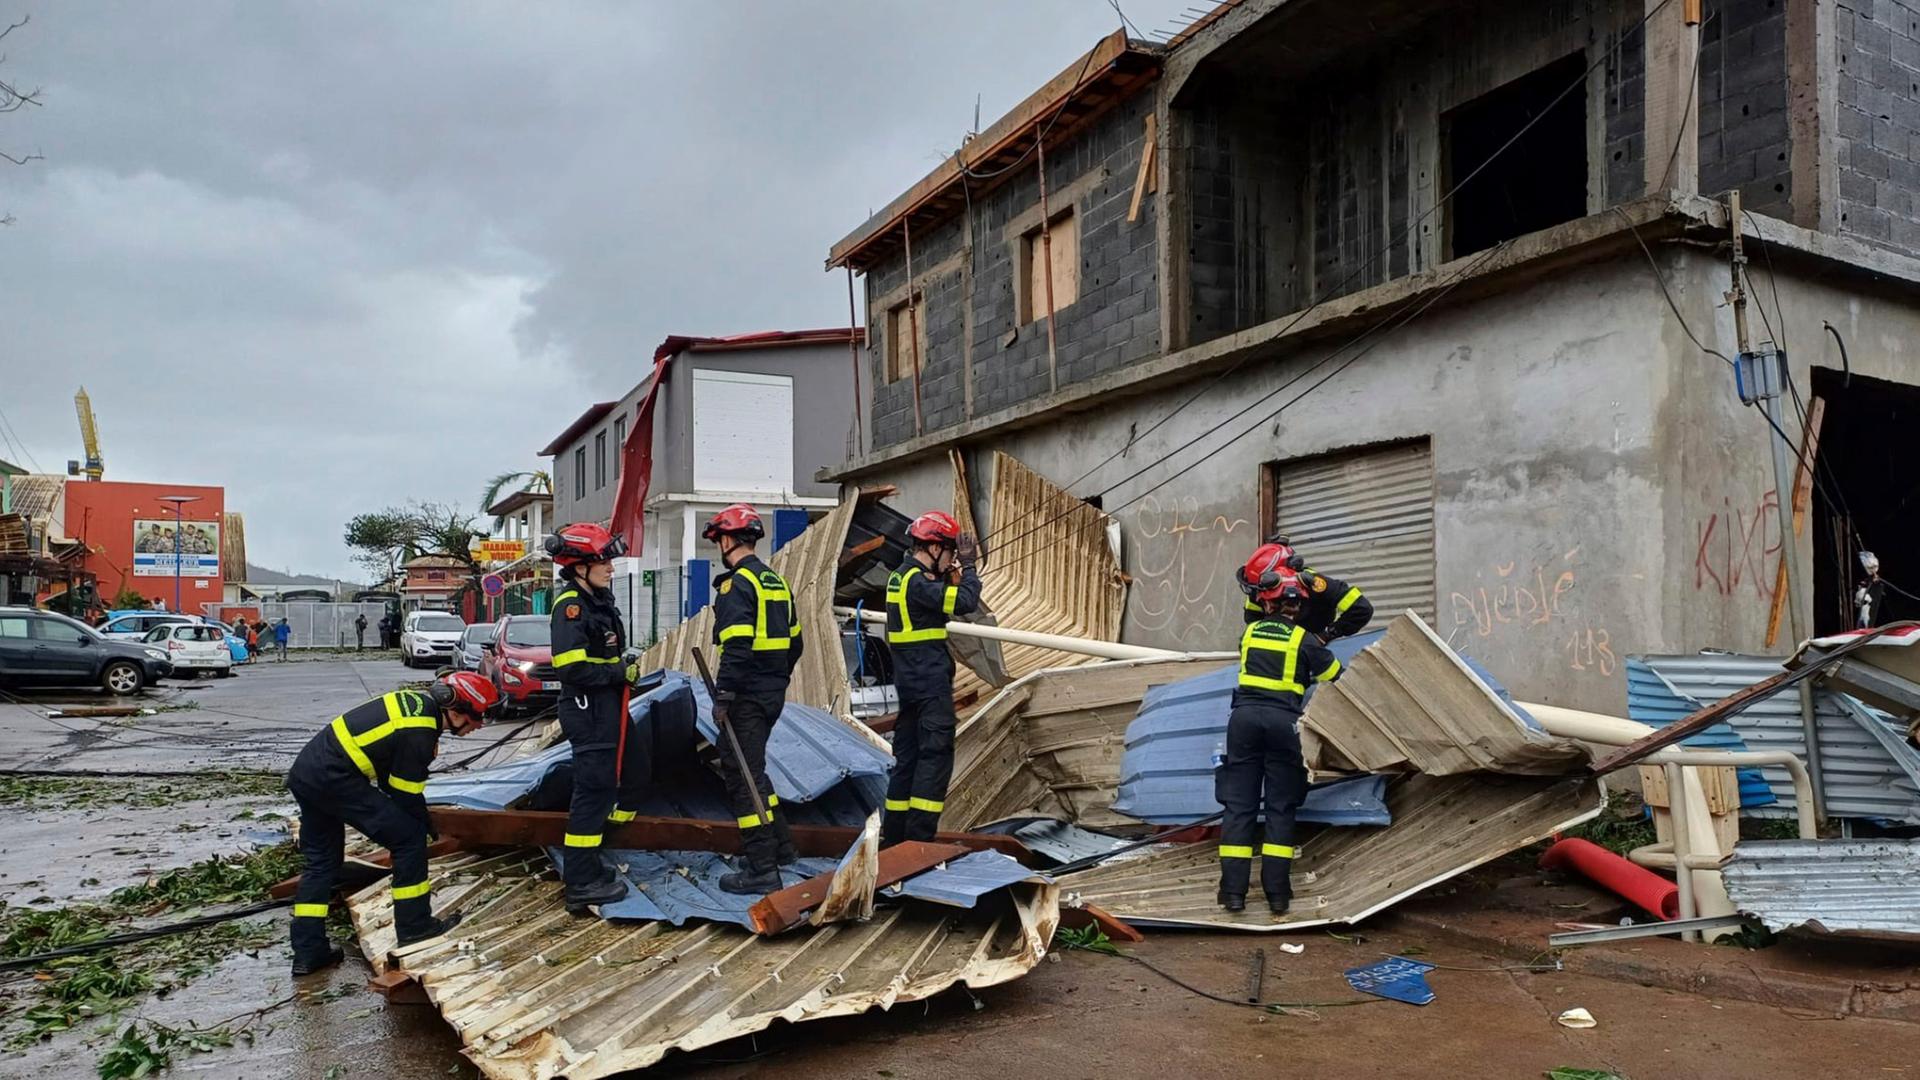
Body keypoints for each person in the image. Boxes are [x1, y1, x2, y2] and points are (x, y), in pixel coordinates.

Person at [285, 671, 501, 975]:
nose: (479, 726)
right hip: (336, 779)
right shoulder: (422, 729)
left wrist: (416, 814)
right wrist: (424, 825)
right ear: (457, 709)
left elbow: (390, 780)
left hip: (308, 774)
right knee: (409, 840)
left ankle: (309, 953)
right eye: (480, 717)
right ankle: (415, 927)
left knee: (321, 863)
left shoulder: (415, 705)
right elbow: (403, 792)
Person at [1218, 557, 1343, 916]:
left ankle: (1233, 895)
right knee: (1280, 807)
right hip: (1283, 725)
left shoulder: (1250, 634)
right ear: (1299, 606)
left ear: (1267, 602)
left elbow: (1252, 608)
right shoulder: (1304, 641)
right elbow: (1335, 676)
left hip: (1242, 722)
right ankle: (1277, 897)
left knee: (1239, 807)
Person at [543, 522, 645, 914]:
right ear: (579, 565)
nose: (611, 568)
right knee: (594, 790)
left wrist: (620, 668)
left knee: (636, 772)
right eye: (603, 561)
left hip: (610, 707)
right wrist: (618, 673)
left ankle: (599, 848)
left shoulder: (599, 600)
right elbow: (570, 667)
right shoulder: (571, 606)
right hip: (589, 710)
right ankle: (581, 881)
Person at [705, 504, 804, 895]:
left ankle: (762, 868)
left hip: (745, 695)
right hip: (771, 691)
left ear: (727, 540)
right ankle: (781, 848)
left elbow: (737, 646)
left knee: (742, 776)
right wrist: (776, 679)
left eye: (718, 540)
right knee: (755, 770)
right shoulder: (775, 582)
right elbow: (796, 642)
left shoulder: (736, 585)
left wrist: (724, 696)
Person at [881, 511, 980, 847]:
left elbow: (930, 608)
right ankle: (918, 845)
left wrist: (947, 576)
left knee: (906, 760)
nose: (952, 558)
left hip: (909, 685)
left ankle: (893, 840)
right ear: (935, 547)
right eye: (951, 551)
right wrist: (970, 569)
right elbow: (966, 602)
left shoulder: (902, 576)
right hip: (929, 684)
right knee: (934, 760)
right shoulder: (919, 582)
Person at [1241, 536, 1374, 643]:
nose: (1257, 595)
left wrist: (1326, 635)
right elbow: (1252, 620)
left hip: (1313, 647)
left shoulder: (1316, 585)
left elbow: (1361, 609)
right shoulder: (1258, 589)